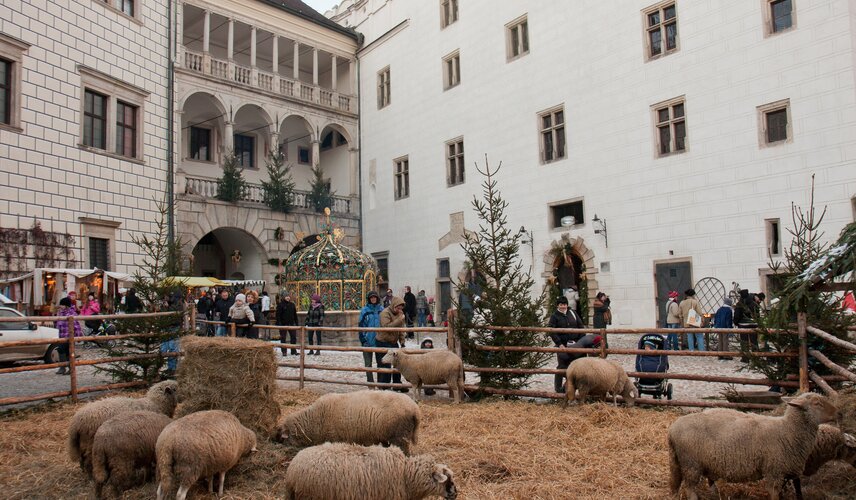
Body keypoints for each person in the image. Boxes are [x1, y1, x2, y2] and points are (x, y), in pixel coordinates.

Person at [548, 296, 584, 393]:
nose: (563, 307)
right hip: (563, 345)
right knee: (562, 367)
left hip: (575, 344)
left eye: (564, 304)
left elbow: (581, 326)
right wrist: (559, 343)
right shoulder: (554, 316)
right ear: (557, 305)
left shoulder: (573, 313)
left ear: (567, 305)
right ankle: (558, 389)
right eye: (561, 305)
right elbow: (551, 331)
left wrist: (580, 342)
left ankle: (570, 387)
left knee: (576, 367)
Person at [377, 296, 407, 392]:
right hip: (383, 341)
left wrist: (402, 341)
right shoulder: (385, 313)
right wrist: (399, 320)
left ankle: (397, 384)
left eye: (401, 308)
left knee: (397, 363)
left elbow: (401, 328)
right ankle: (384, 385)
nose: (399, 310)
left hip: (393, 341)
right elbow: (386, 327)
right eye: (398, 308)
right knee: (385, 363)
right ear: (394, 305)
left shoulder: (400, 313)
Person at [358, 291, 384, 385]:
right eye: (371, 297)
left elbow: (385, 324)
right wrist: (363, 340)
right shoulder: (364, 310)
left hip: (379, 340)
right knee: (368, 364)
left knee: (380, 363)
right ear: (369, 299)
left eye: (375, 297)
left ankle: (381, 384)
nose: (373, 299)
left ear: (377, 298)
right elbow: (360, 326)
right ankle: (370, 384)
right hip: (367, 341)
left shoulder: (381, 309)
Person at [55, 297, 81, 375]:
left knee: (67, 351)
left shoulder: (71, 313)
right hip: (61, 335)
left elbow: (77, 325)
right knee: (62, 350)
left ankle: (68, 368)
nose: (61, 306)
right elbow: (58, 324)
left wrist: (78, 336)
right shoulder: (60, 313)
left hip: (69, 335)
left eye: (62, 305)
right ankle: (63, 367)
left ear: (66, 305)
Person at [734, 289, 759, 357]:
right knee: (754, 341)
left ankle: (745, 357)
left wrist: (736, 322)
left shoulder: (739, 304)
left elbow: (737, 315)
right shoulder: (754, 303)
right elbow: (757, 314)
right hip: (753, 324)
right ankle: (756, 356)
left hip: (743, 324)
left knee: (744, 342)